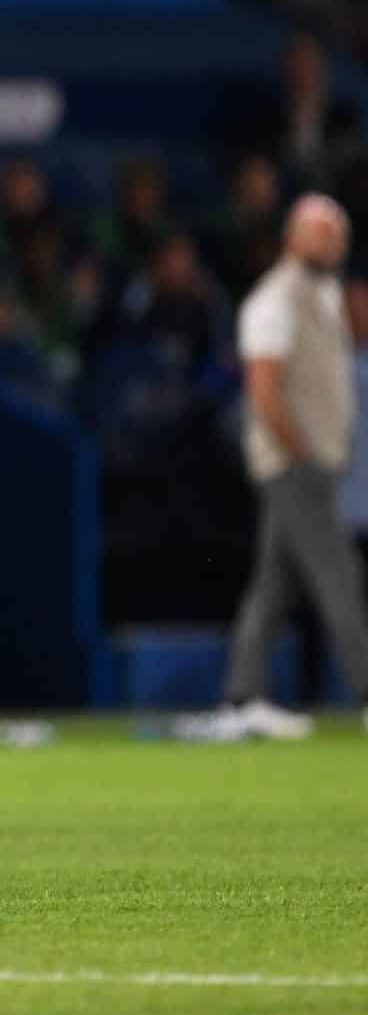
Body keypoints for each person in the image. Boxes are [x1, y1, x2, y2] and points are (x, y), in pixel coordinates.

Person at [216, 195, 368, 738]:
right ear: (292, 235)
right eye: (321, 230)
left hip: (318, 461)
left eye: (338, 231)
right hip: (294, 463)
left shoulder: (327, 294)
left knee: (274, 586)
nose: (333, 240)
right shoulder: (274, 299)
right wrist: (299, 450)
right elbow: (263, 388)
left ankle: (242, 698)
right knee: (339, 578)